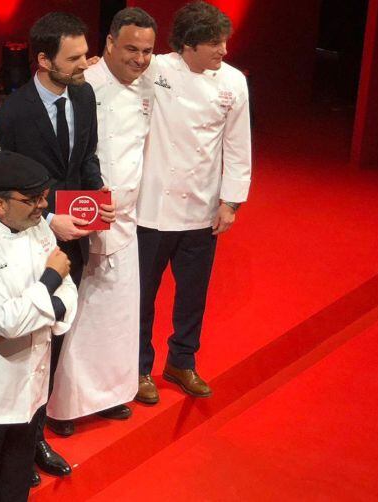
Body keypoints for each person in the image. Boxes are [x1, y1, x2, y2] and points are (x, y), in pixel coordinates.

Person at [0, 11, 113, 480]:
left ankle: (35, 434)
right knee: (25, 339)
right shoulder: (14, 111)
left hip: (73, 238)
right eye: (76, 57)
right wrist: (47, 219)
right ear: (44, 60)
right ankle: (16, 444)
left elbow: (87, 158)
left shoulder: (84, 96)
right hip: (25, 242)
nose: (87, 64)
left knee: (55, 339)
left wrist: (97, 199)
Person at [47, 7, 158, 432]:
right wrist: (83, 207)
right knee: (76, 313)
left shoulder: (150, 83)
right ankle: (62, 405)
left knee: (117, 314)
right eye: (131, 48)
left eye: (148, 50)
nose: (140, 58)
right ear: (108, 43)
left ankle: (109, 393)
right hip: (84, 213)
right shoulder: (85, 83)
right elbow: (75, 155)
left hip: (126, 217)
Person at [137, 0, 252, 401]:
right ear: (189, 44)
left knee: (192, 296)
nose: (223, 51)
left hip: (201, 209)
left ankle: (182, 361)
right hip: (150, 208)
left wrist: (231, 201)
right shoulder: (155, 69)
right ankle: (138, 368)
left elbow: (238, 145)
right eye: (215, 44)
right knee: (142, 296)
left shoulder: (234, 81)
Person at [0, 151, 78, 501]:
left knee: (15, 489)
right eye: (32, 200)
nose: (43, 207)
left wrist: (47, 304)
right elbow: (6, 320)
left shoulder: (35, 224)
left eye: (43, 197)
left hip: (32, 387)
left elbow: (69, 290)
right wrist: (48, 283)